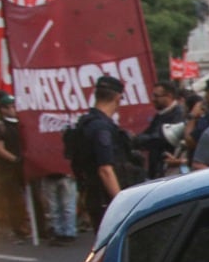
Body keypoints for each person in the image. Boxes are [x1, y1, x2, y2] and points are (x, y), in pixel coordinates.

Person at [75, 76, 134, 227]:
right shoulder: (102, 127)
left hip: (93, 194)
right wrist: (120, 203)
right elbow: (105, 169)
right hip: (105, 199)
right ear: (118, 97)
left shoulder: (85, 123)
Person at [0, 92, 28, 240]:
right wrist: (15, 159)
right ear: (3, 109)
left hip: (24, 167)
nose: (13, 109)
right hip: (8, 169)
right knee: (14, 199)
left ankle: (31, 225)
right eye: (10, 107)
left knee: (31, 196)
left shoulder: (21, 124)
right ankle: (18, 228)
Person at [135, 81, 186, 180]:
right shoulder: (160, 115)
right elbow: (148, 134)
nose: (153, 99)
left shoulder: (178, 115)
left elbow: (160, 139)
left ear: (169, 96)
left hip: (170, 172)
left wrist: (139, 140)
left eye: (156, 96)